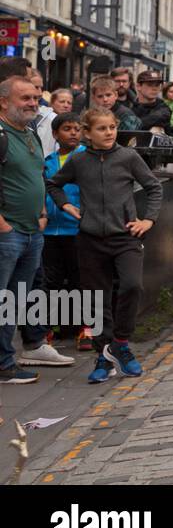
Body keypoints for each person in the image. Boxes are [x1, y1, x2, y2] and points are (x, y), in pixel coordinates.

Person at [47, 106, 163, 384]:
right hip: (89, 240)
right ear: (87, 133)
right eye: (102, 128)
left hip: (125, 237)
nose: (109, 133)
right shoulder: (78, 161)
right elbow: (53, 184)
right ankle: (103, 357)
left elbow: (154, 187)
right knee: (96, 300)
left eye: (112, 127)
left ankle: (120, 344)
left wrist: (148, 220)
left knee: (132, 285)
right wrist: (66, 205)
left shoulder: (128, 156)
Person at [1, 77, 73, 384]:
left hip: (32, 231)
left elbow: (36, 175)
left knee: (16, 301)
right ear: (4, 102)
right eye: (25, 98)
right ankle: (3, 364)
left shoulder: (30, 133)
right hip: (8, 233)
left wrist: (43, 212)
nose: (33, 103)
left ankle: (15, 355)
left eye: (35, 97)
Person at [43, 112, 92, 351]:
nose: (73, 133)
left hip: (77, 229)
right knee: (50, 282)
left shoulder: (86, 158)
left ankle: (85, 328)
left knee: (80, 280)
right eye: (67, 129)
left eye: (76, 128)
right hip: (50, 231)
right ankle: (48, 328)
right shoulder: (48, 161)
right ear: (55, 134)